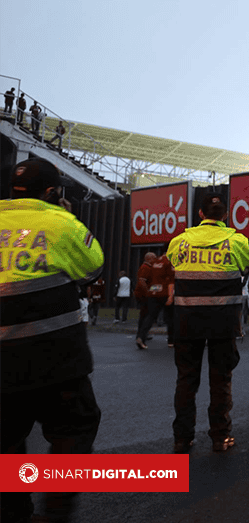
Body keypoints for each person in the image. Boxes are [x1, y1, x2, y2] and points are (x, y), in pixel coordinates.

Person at [1, 158, 105, 523]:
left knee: (6, 442)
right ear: (52, 192)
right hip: (56, 359)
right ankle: (56, 511)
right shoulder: (61, 222)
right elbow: (92, 267)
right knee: (73, 431)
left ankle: (14, 511)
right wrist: (67, 217)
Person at [166, 192, 249, 453]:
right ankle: (220, 436)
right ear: (226, 215)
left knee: (186, 380)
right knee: (221, 380)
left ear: (200, 215)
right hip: (223, 322)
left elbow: (172, 263)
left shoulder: (180, 241)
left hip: (186, 320)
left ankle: (182, 439)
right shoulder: (235, 240)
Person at [136, 252, 175, 349]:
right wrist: (171, 296)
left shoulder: (154, 263)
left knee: (150, 316)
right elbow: (171, 280)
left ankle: (141, 337)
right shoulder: (169, 262)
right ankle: (171, 340)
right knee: (170, 318)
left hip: (153, 292)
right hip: (164, 292)